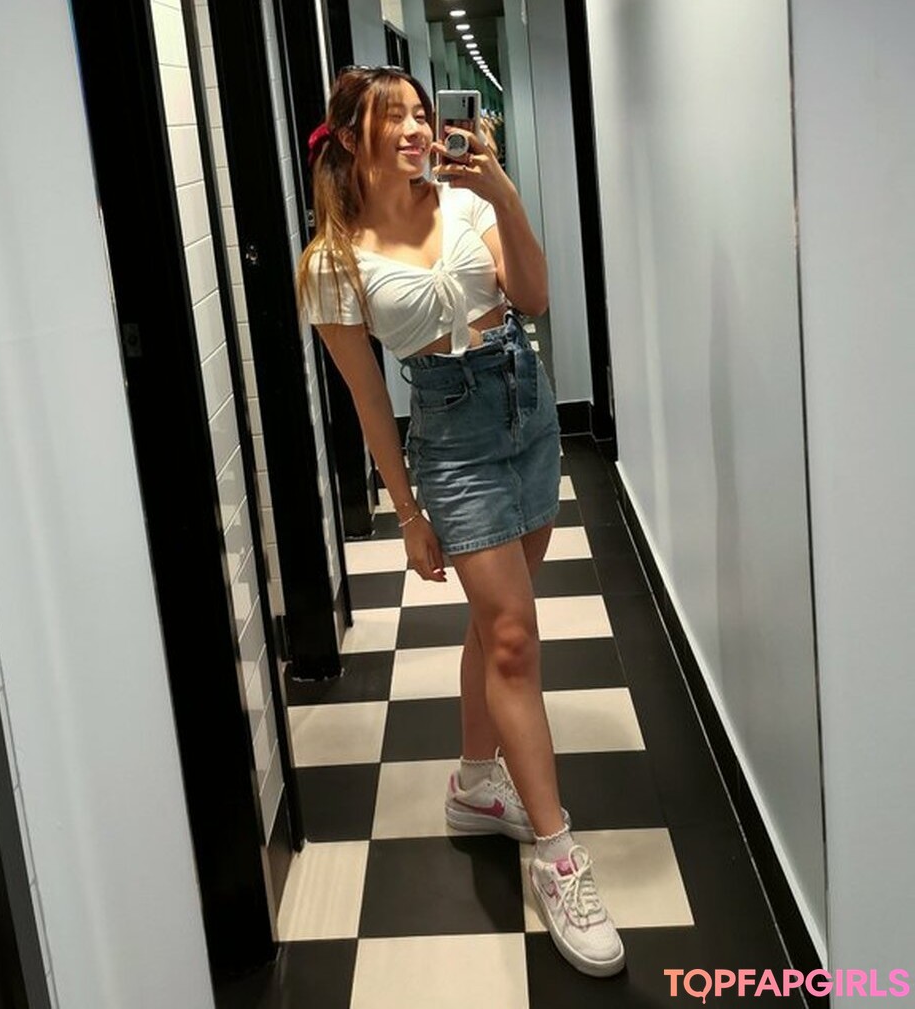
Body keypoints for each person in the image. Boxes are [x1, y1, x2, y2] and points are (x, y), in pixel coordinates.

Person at [296, 66, 625, 979]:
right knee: (515, 637)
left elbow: (537, 297)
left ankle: (479, 785)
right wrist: (406, 511)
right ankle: (558, 854)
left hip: (526, 410)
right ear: (351, 139)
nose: (415, 129)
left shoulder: (468, 200)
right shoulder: (331, 262)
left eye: (419, 112)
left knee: (496, 624)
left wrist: (504, 192)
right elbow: (369, 398)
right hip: (453, 441)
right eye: (394, 117)